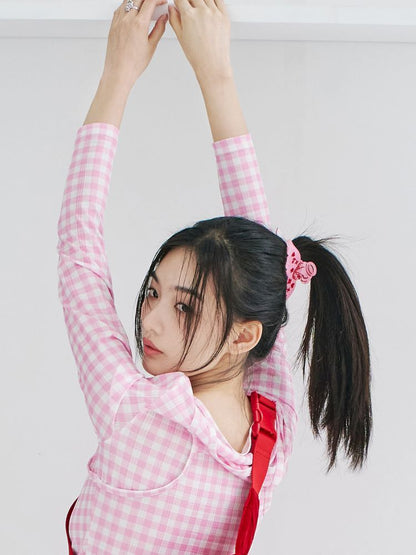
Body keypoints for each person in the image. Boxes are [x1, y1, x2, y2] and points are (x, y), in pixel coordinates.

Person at [56, 0, 373, 553]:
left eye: (184, 307)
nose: (151, 320)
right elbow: (258, 259)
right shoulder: (271, 429)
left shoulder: (135, 412)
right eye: (152, 292)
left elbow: (78, 255)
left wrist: (116, 78)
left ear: (243, 335)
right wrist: (215, 72)